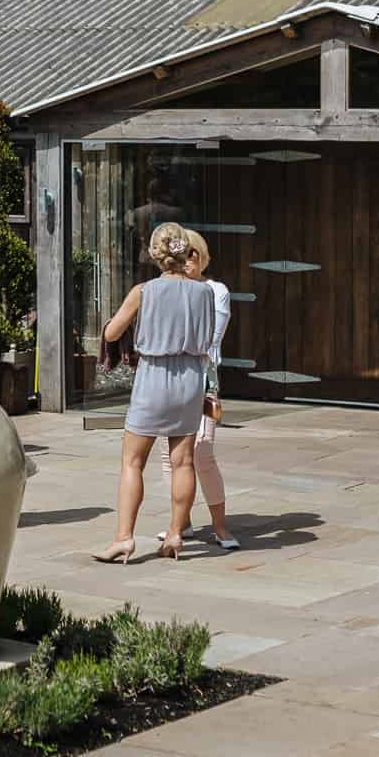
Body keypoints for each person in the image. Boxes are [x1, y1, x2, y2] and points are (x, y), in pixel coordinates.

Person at [94, 223, 215, 565]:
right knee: (183, 461)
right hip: (191, 375)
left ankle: (123, 538)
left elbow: (114, 331)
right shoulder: (204, 292)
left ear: (154, 254)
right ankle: (176, 534)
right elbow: (208, 338)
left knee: (133, 461)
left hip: (154, 376)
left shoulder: (143, 291)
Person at [157, 230, 238, 550]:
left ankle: (220, 526)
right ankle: (181, 523)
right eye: (182, 254)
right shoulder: (164, 289)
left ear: (201, 256)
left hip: (202, 377)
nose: (188, 261)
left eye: (193, 254)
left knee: (202, 451)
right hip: (168, 376)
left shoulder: (215, 290)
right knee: (168, 454)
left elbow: (211, 336)